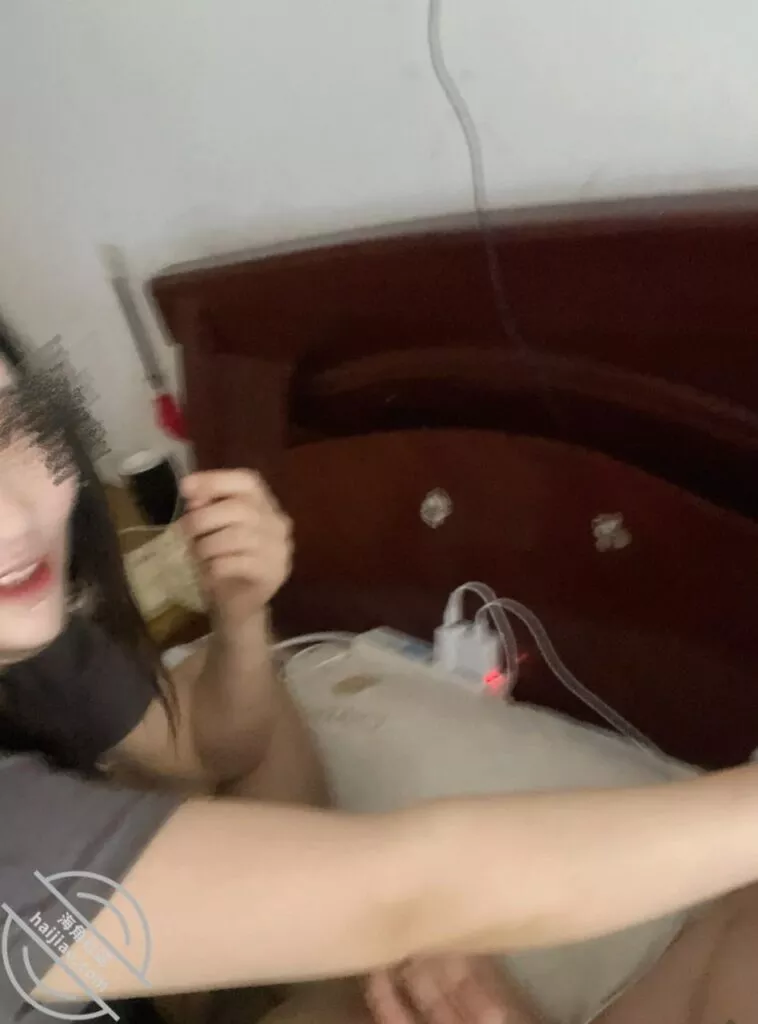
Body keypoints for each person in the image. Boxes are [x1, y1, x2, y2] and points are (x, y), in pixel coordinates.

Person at [1, 324, 758, 1024]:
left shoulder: (26, 645)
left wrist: (240, 611)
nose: (13, 518)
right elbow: (408, 890)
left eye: (10, 427)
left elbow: (201, 746)